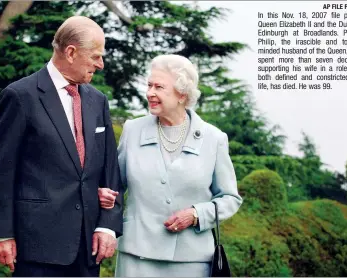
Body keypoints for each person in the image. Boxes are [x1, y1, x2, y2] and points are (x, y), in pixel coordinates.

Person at [0, 16, 123, 277]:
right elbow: (0, 172)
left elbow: (110, 170)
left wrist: (107, 226)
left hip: (87, 249)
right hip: (36, 246)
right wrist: (1, 234)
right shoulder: (20, 96)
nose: (101, 64)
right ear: (71, 52)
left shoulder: (98, 100)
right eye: (95, 56)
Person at [98, 54, 243, 277]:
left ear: (182, 94)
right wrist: (104, 195)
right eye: (149, 85)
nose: (150, 93)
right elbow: (115, 185)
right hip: (137, 257)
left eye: (159, 87)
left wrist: (197, 214)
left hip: (192, 261)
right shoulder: (133, 130)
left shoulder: (213, 139)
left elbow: (230, 198)